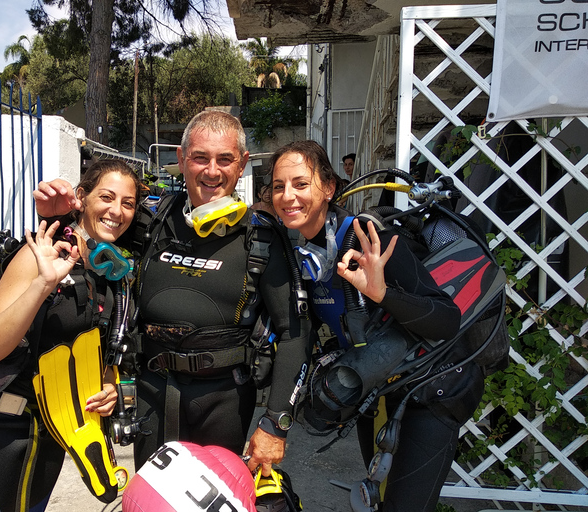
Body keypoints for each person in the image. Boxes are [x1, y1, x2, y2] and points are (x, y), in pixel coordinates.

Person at [34, 110, 311, 478]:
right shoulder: (153, 220)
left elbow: (295, 331)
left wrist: (276, 422)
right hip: (152, 397)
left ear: (242, 163)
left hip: (225, 400)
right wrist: (63, 211)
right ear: (181, 160)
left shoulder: (261, 238)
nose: (212, 171)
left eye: (225, 159)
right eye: (200, 158)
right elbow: (93, 229)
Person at [269, 140, 486, 512]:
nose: (288, 196)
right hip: (375, 389)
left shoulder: (373, 239)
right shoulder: (303, 254)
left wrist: (383, 293)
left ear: (330, 187)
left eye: (301, 184)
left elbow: (447, 320)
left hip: (433, 389)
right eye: (278, 186)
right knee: (379, 502)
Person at [0, 160, 142, 512]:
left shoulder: (109, 272)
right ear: (81, 197)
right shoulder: (39, 254)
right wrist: (43, 284)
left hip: (52, 430)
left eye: (128, 203)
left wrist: (110, 387)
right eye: (107, 197)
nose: (117, 211)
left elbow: (101, 353)